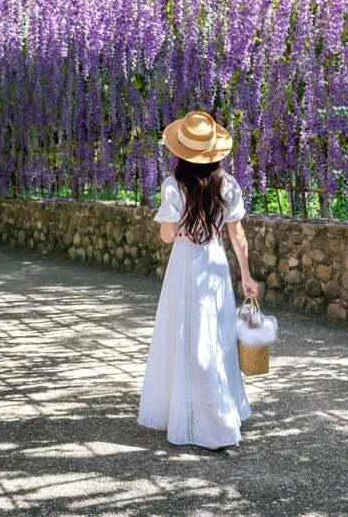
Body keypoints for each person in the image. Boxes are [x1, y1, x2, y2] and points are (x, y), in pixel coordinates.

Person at [136, 111, 260, 450]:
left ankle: (208, 418)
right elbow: (238, 235)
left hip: (185, 264)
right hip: (215, 265)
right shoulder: (228, 185)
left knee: (186, 334)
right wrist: (246, 275)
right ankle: (212, 406)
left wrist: (185, 227)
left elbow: (165, 235)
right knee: (213, 336)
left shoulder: (173, 185)